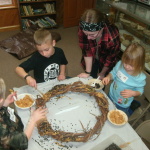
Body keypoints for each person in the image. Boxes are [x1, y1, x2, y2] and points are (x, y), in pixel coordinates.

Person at [0, 78, 47, 150]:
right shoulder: (2, 132)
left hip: (13, 129)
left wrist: (5, 104)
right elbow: (20, 142)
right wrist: (33, 120)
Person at [102, 43, 146, 116]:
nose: (127, 67)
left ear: (139, 65)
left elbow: (140, 91)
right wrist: (108, 77)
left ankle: (132, 108)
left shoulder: (140, 77)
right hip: (111, 94)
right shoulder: (120, 64)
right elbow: (113, 73)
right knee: (107, 110)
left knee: (120, 116)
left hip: (123, 104)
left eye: (131, 65)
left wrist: (133, 93)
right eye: (125, 62)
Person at [77, 8, 121, 80]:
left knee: (100, 81)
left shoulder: (112, 38)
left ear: (101, 28)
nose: (88, 38)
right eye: (86, 34)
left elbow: (110, 59)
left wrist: (102, 73)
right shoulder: (83, 27)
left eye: (92, 34)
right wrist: (88, 73)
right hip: (92, 56)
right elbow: (86, 50)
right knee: (91, 76)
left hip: (105, 59)